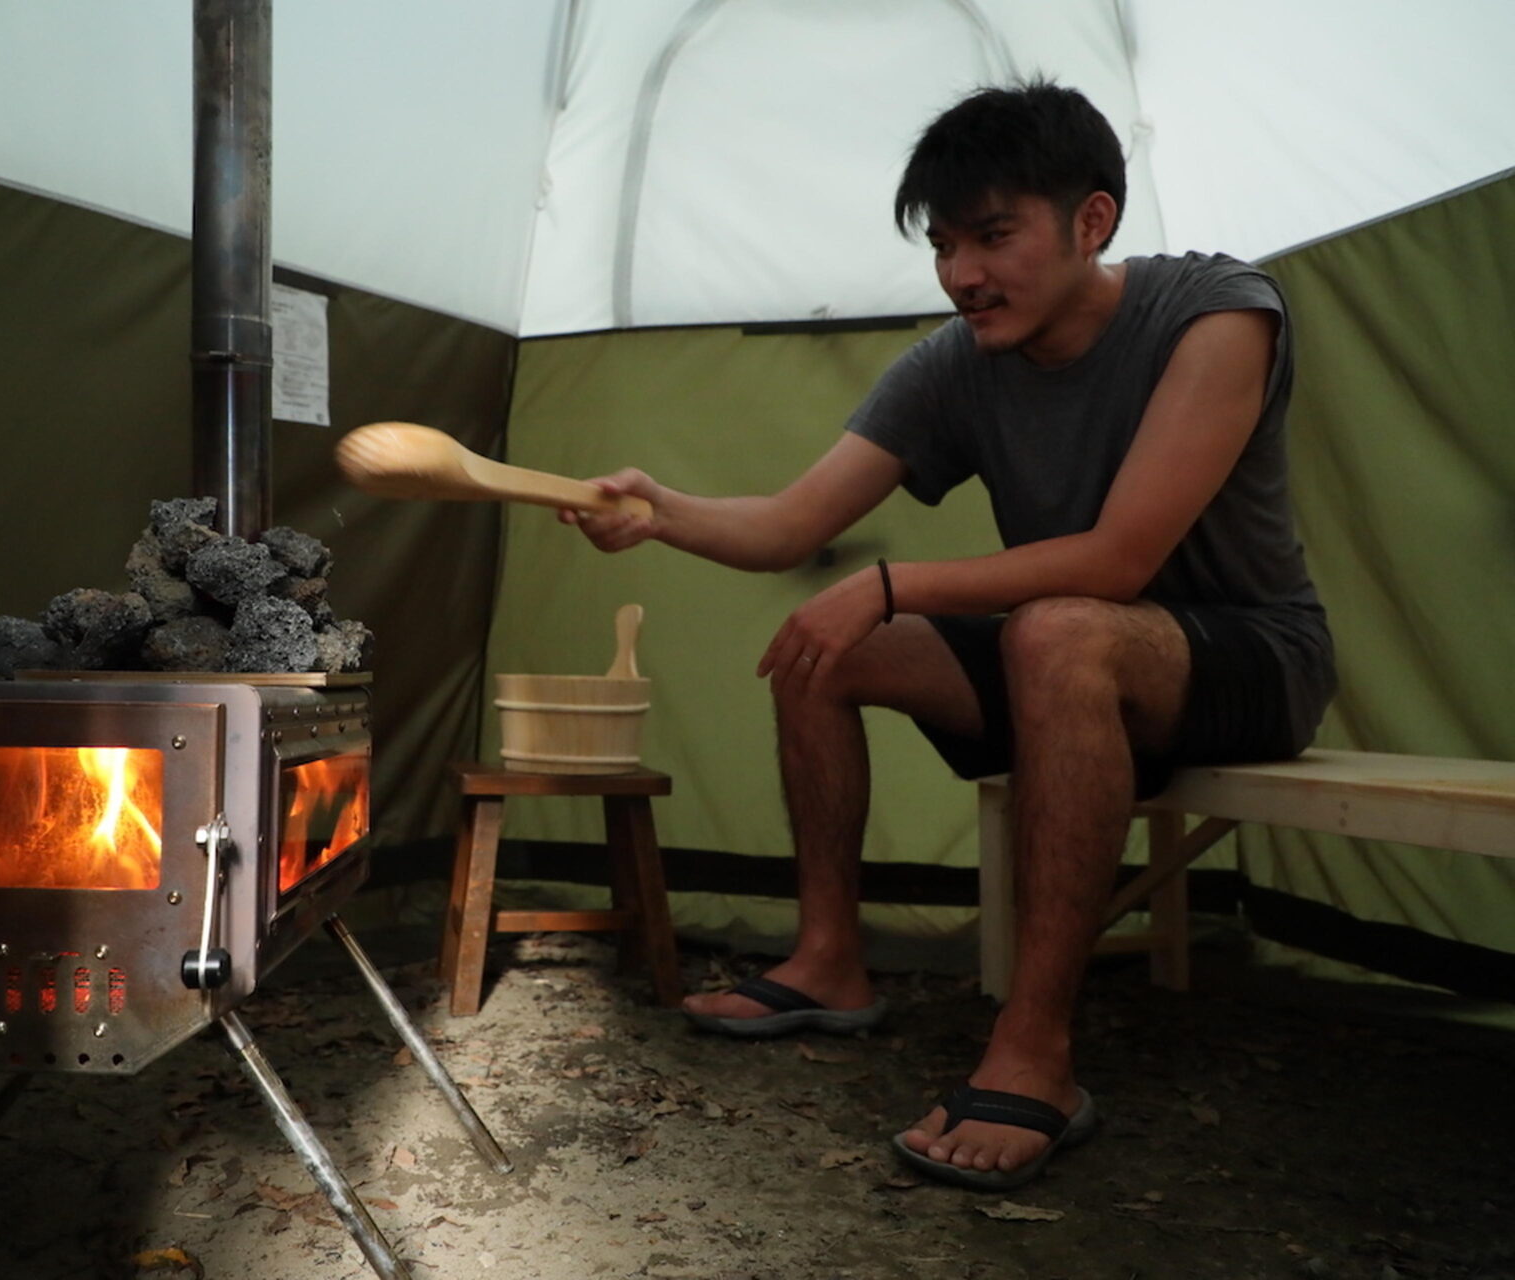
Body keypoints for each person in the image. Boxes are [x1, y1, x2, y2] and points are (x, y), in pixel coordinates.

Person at [561, 80, 1335, 1190]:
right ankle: (828, 959)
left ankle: (1036, 1050)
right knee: (826, 644)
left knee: (1054, 631)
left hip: (1250, 657)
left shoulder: (1217, 313)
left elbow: (1119, 560)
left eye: (993, 235)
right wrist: (658, 511)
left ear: (1092, 221)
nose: (962, 273)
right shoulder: (957, 363)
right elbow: (790, 525)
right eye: (942, 244)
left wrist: (888, 582)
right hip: (1070, 653)